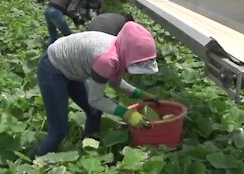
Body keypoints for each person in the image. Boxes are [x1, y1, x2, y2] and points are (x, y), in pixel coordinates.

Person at [34, 21, 160, 157]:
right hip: (53, 68)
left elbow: (116, 82)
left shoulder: (120, 48)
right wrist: (127, 113)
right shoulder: (107, 60)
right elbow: (95, 99)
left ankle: (89, 147)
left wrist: (141, 95)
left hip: (73, 70)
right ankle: (35, 161)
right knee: (59, 131)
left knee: (94, 112)